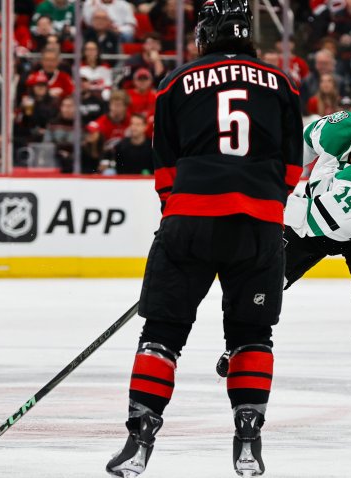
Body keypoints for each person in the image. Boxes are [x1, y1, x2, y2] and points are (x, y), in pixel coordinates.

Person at [105, 1, 303, 476]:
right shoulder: (283, 85)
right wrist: (260, 204)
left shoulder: (174, 81)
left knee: (162, 334)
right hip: (258, 223)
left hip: (189, 218)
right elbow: (292, 169)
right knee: (252, 335)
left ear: (207, 33)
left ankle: (139, 443)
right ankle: (249, 444)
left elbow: (165, 169)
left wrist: (179, 215)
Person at [220, 99, 351, 434]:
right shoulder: (341, 127)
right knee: (261, 278)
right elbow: (299, 148)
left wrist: (259, 201)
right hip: (314, 213)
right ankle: (238, 342)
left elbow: (314, 219)